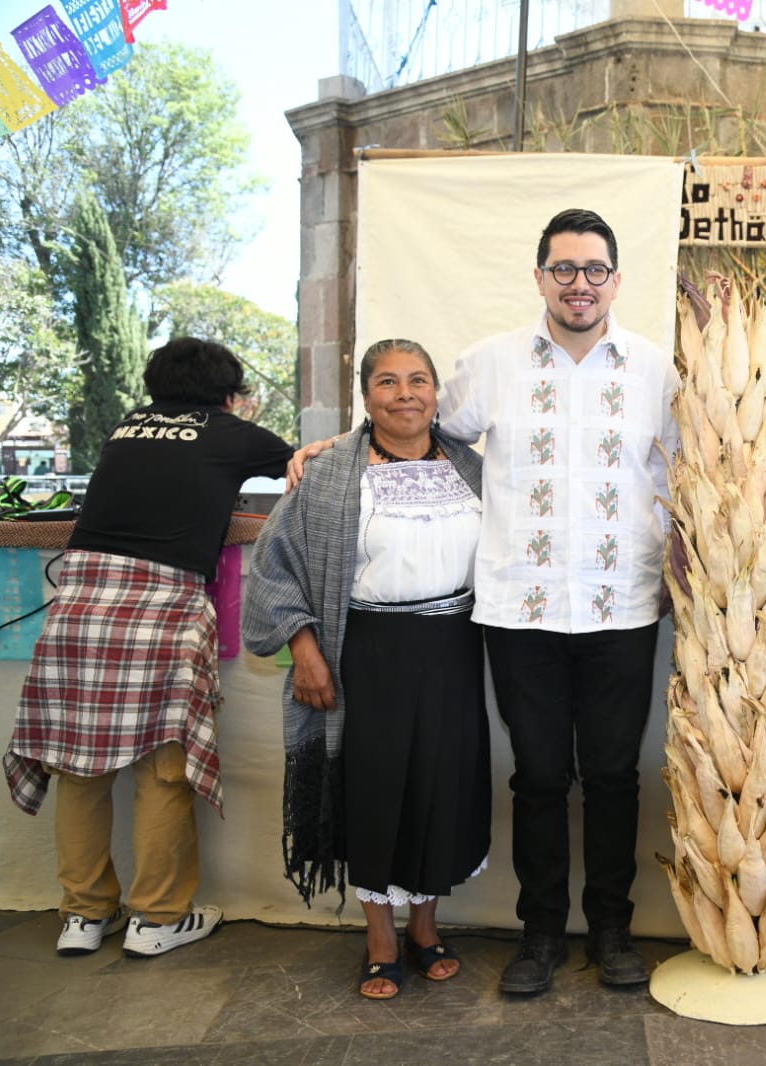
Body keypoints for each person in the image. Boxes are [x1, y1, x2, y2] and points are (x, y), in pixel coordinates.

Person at [437, 208, 680, 995]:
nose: (581, 284)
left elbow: (683, 472)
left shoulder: (654, 371)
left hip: (622, 604)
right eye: (565, 269)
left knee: (613, 776)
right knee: (537, 778)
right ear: (540, 277)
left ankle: (611, 930)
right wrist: (330, 452)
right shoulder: (491, 363)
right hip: (521, 607)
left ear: (616, 280)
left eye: (594, 270)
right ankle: (539, 933)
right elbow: (423, 434)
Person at [3, 337, 293, 959]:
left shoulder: (127, 427)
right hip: (161, 607)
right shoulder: (230, 432)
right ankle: (158, 919)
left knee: (78, 768)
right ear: (227, 393)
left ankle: (83, 915)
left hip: (80, 607)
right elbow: (307, 464)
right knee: (164, 770)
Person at [243, 339, 490, 1000]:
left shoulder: (472, 468)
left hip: (453, 650)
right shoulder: (327, 474)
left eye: (418, 380)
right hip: (366, 653)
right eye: (387, 381)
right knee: (375, 790)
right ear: (365, 396)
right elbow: (273, 568)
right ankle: (380, 937)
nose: (405, 393)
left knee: (441, 785)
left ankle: (425, 927)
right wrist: (305, 651)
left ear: (436, 393)